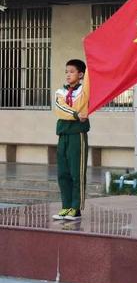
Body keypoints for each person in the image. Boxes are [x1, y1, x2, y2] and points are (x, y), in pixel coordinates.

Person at [52, 59, 90, 221]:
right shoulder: (60, 92)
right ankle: (66, 206)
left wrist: (90, 51)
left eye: (72, 72)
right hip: (63, 135)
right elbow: (59, 108)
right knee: (63, 173)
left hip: (77, 135)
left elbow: (90, 77)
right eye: (66, 71)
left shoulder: (83, 90)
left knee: (77, 173)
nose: (68, 75)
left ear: (81, 75)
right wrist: (75, 114)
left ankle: (76, 207)